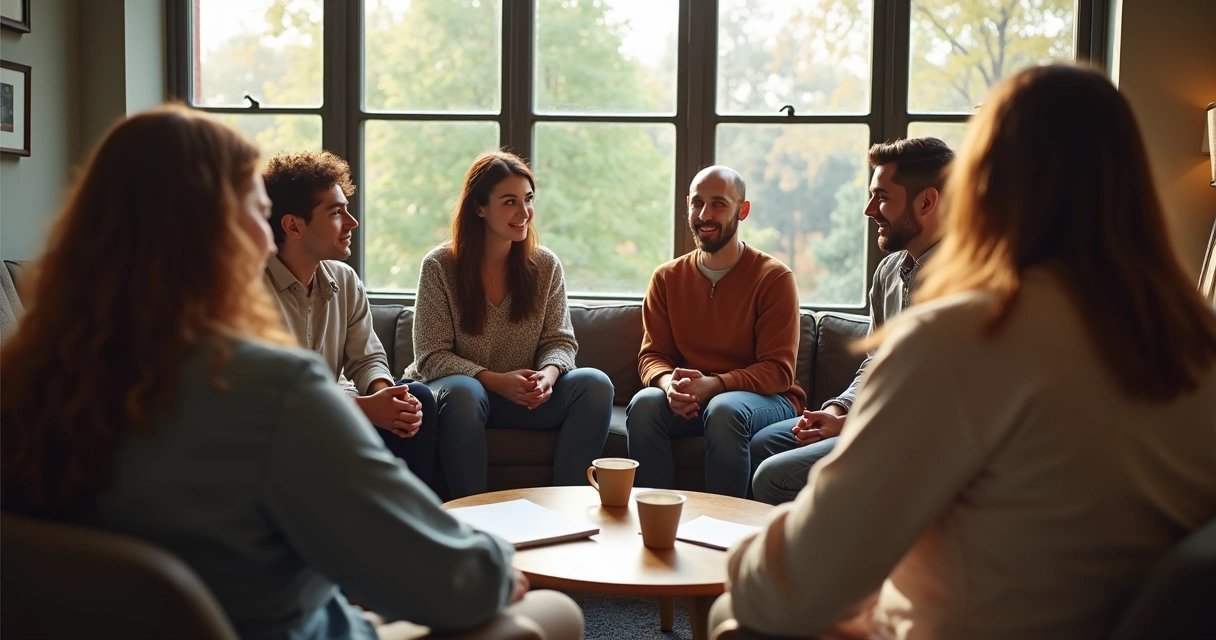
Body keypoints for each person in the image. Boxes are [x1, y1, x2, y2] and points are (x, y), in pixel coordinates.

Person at [0, 105, 583, 639]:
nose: (267, 239)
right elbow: (453, 583)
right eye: (259, 215)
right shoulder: (271, 388)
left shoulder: (26, 381)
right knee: (553, 615)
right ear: (221, 234)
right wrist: (499, 563)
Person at [715, 64, 1216, 639]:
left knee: (734, 613)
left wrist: (737, 553)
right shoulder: (1197, 336)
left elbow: (786, 591)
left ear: (986, 182)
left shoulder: (965, 335)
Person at [749, 137, 954, 505]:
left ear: (926, 202)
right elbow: (876, 362)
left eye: (882, 197)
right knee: (765, 442)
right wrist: (837, 409)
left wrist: (851, 426)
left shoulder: (964, 281)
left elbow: (939, 401)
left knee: (772, 477)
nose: (869, 209)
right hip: (875, 422)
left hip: (922, 442)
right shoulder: (889, 271)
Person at [403, 150, 613, 499]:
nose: (524, 212)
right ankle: (474, 518)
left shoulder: (545, 265)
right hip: (465, 397)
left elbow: (560, 342)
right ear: (479, 207)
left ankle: (567, 510)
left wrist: (547, 377)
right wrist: (496, 381)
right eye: (509, 201)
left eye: (528, 200)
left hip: (526, 399)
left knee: (595, 385)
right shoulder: (440, 266)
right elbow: (430, 356)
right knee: (463, 394)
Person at [261, 151, 438, 487]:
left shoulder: (343, 279)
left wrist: (386, 397)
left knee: (419, 399)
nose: (352, 222)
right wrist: (362, 409)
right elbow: (273, 398)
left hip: (338, 410)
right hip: (285, 427)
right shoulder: (250, 292)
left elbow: (367, 359)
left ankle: (406, 524)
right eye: (336, 212)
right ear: (293, 225)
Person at [626, 165, 803, 497]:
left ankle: (724, 532)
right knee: (645, 404)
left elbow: (779, 371)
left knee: (724, 409)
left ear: (742, 210)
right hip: (694, 398)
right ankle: (653, 525)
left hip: (767, 400)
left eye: (719, 204)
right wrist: (669, 386)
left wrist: (716, 385)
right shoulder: (667, 278)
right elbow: (652, 356)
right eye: (697, 203)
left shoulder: (774, 278)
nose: (704, 214)